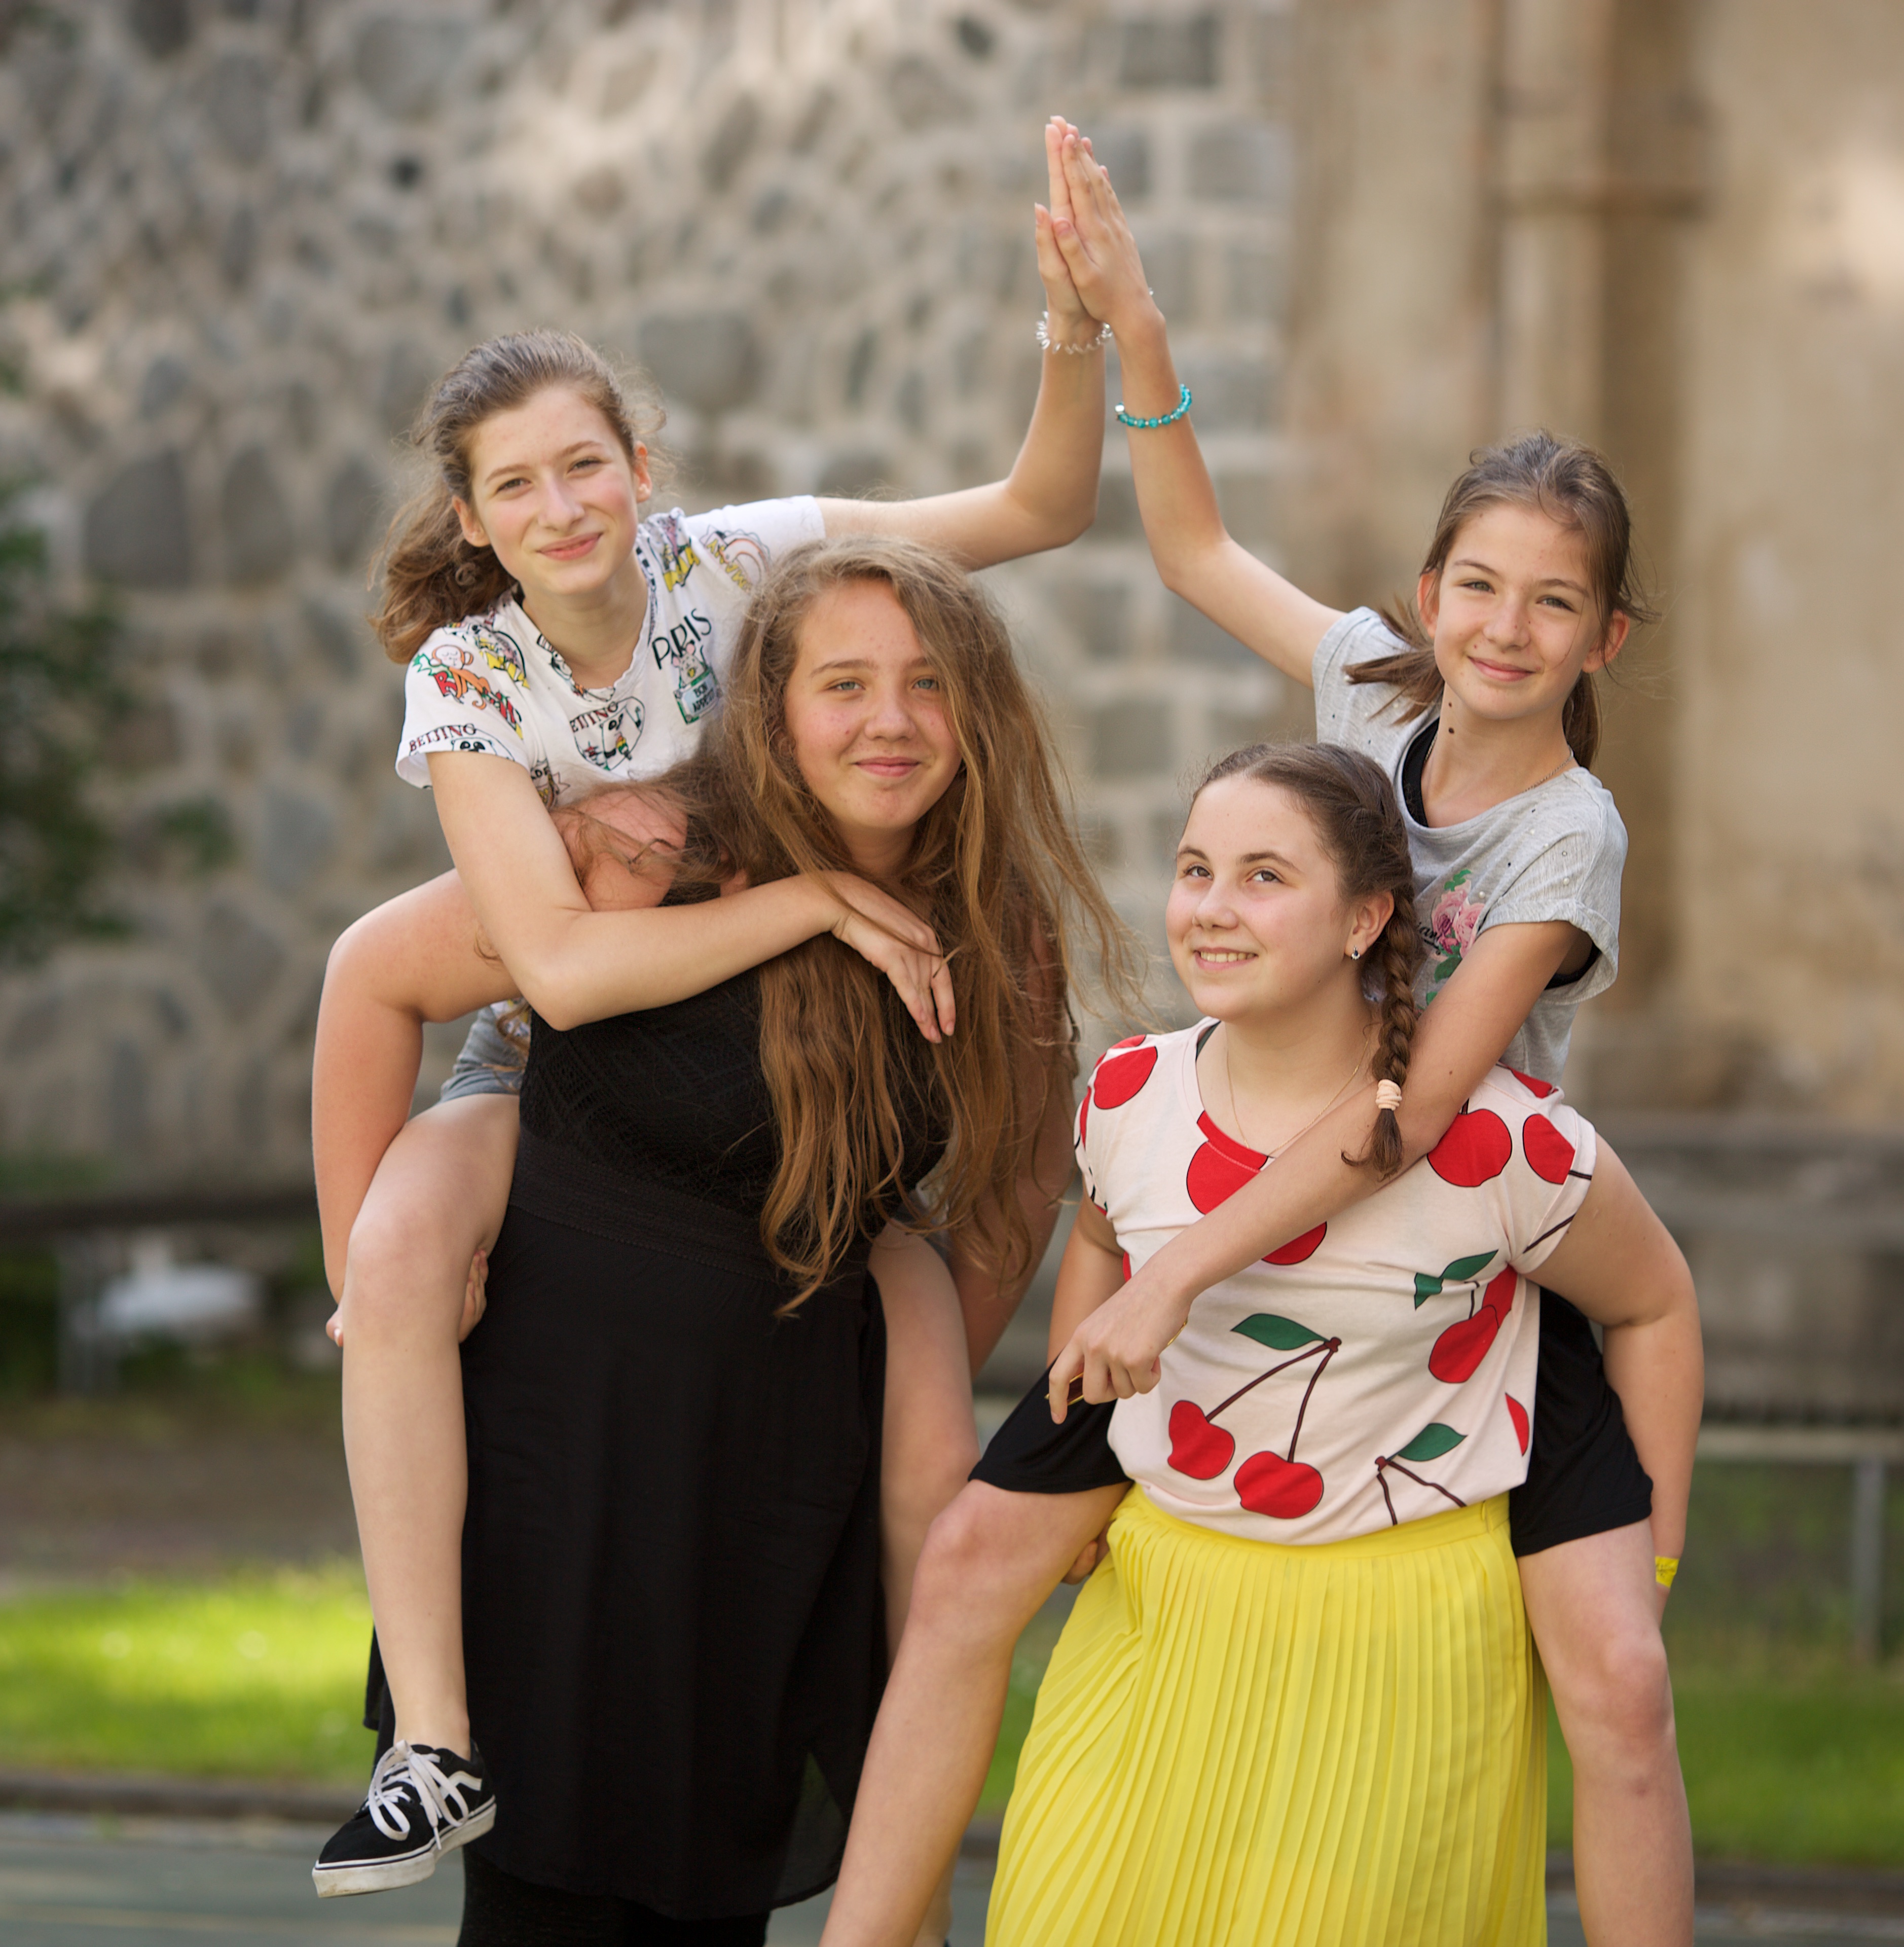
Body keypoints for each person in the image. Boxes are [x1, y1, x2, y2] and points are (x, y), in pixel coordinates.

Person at [815, 136, 1700, 1947]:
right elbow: (1194, 545)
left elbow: (1409, 1117)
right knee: (972, 1562)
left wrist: (1171, 1274)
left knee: (1619, 1692)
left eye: (1552, 603)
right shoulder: (1376, 689)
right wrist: (1125, 323)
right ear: (1430, 592)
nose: (1504, 629)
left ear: (1605, 637)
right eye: (1477, 586)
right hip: (1260, 1162)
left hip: (1457, 1233)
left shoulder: (1568, 835)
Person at [308, 121, 1113, 1916]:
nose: (562, 508)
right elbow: (515, 977)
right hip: (555, 1025)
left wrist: (1078, 328)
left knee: (925, 1437)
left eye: (586, 465)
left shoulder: (734, 566)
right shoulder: (477, 680)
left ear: (643, 467)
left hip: (769, 1076)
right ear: (471, 520)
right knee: (402, 1255)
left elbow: (1037, 512)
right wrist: (373, 1286)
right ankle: (431, 1738)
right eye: (516, 487)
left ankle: (901, 1841)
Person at [982, 744, 1699, 1947]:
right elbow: (1102, 1246)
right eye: (1196, 870)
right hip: (1159, 1623)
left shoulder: (1505, 1146)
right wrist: (1085, 1438)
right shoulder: (1126, 1094)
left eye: (1263, 877)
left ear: (1367, 919)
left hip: (1396, 1642)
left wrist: (1655, 1555)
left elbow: (1654, 1303)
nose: (1213, 907)